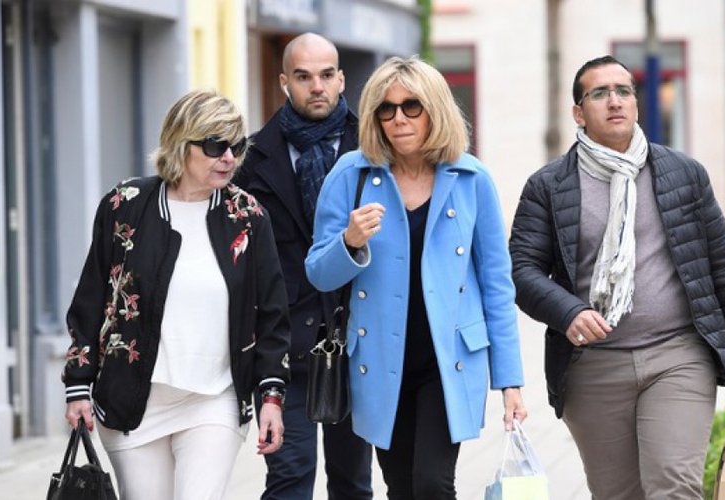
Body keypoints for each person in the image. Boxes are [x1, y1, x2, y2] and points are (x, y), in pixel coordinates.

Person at [509, 55, 725, 500]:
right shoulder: (549, 185)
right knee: (617, 493)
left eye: (623, 91)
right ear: (579, 112)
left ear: (636, 103)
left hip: (678, 355)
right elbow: (521, 269)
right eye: (599, 93)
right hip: (592, 366)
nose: (614, 101)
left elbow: (723, 266)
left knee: (674, 485)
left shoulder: (683, 174)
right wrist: (569, 312)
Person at [305, 56, 527, 499]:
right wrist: (349, 241)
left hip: (449, 360)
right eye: (386, 109)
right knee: (401, 488)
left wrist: (510, 380)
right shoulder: (350, 174)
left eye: (411, 106)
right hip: (379, 359)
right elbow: (319, 274)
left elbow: (497, 285)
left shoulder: (470, 178)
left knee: (432, 484)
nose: (398, 119)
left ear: (435, 110)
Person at [62, 89, 291, 500]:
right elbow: (91, 298)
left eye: (236, 147)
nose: (228, 158)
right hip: (133, 403)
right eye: (215, 146)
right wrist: (78, 384)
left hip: (214, 400)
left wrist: (271, 396)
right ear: (181, 143)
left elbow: (272, 313)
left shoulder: (248, 217)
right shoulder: (125, 205)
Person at [234, 33, 373, 500]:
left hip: (356, 338)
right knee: (289, 478)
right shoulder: (252, 157)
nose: (317, 86)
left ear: (341, 80)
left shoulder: (373, 148)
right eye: (303, 76)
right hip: (282, 341)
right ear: (284, 83)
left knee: (353, 483)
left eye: (326, 75)